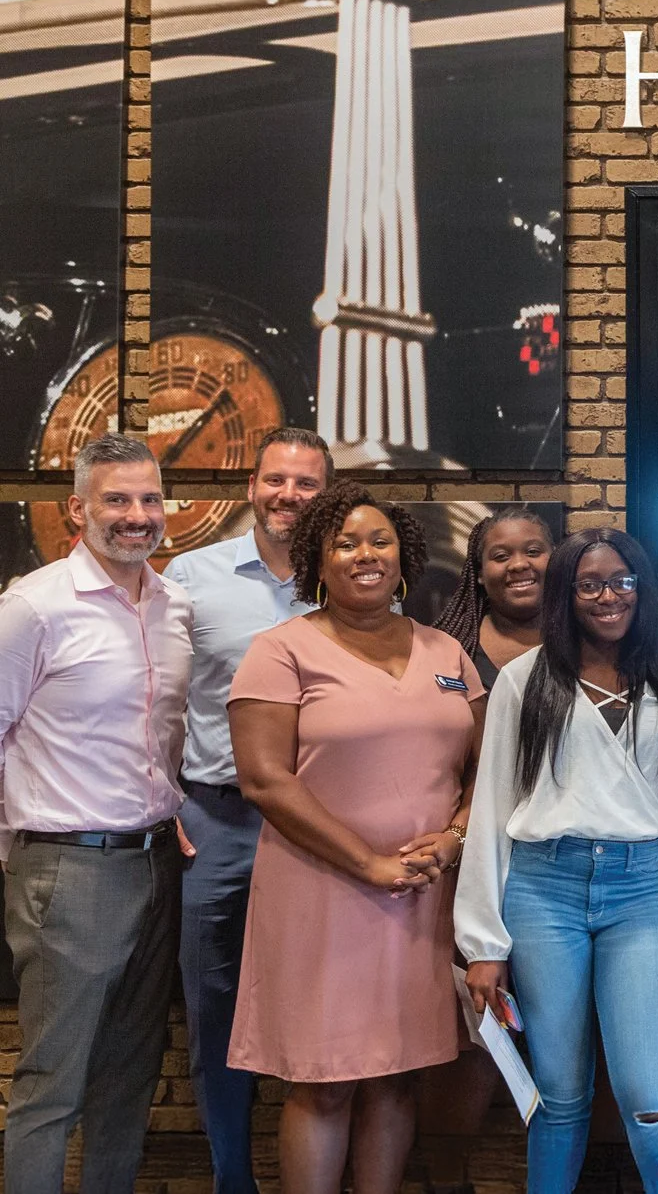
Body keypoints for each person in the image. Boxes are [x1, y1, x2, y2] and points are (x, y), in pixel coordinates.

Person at [227, 480, 485, 1194]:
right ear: (318, 560)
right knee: (326, 1081)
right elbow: (264, 780)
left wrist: (456, 836)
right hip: (323, 890)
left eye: (380, 541)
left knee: (398, 1075)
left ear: (404, 556)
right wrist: (368, 862)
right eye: (346, 542)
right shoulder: (280, 651)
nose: (365, 553)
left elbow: (487, 771)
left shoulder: (447, 652)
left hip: (421, 899)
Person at [457, 528, 658, 1193]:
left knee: (647, 1088)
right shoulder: (525, 680)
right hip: (541, 889)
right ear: (567, 593)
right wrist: (482, 943)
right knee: (558, 1091)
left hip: (638, 894)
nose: (608, 596)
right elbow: (491, 809)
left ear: (643, 587)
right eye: (589, 584)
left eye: (622, 581)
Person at [0, 433, 191, 1194]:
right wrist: (19, 850)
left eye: (149, 498)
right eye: (117, 498)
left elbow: (165, 735)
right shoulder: (33, 606)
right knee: (53, 1084)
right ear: (78, 507)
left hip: (157, 863)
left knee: (129, 1079)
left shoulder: (175, 605)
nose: (137, 515)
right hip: (66, 867)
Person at [164, 425, 331, 1194]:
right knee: (215, 1008)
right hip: (219, 822)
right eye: (275, 479)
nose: (288, 495)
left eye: (305, 483)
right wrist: (160, 796)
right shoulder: (190, 577)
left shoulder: (353, 578)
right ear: (251, 484)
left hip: (323, 830)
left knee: (320, 1001)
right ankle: (235, 1179)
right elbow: (152, 698)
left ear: (326, 493)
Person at [437, 505, 556, 688]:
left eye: (533, 552)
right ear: (480, 573)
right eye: (501, 556)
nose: (518, 564)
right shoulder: (451, 648)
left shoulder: (583, 641)